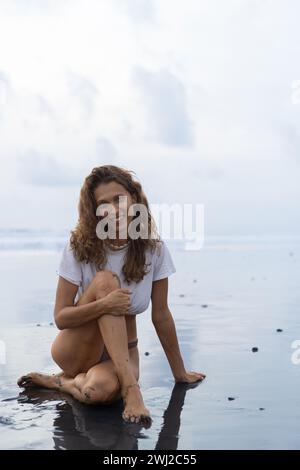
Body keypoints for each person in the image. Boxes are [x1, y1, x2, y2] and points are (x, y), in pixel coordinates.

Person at [18, 165, 205, 425]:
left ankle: (62, 382)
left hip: (124, 353)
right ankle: (131, 390)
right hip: (76, 347)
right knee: (106, 280)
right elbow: (61, 317)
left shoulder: (154, 250)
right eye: (103, 204)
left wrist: (179, 373)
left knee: (96, 393)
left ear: (134, 199)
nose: (113, 209)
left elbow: (161, 315)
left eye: (118, 199)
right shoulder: (78, 247)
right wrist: (104, 303)